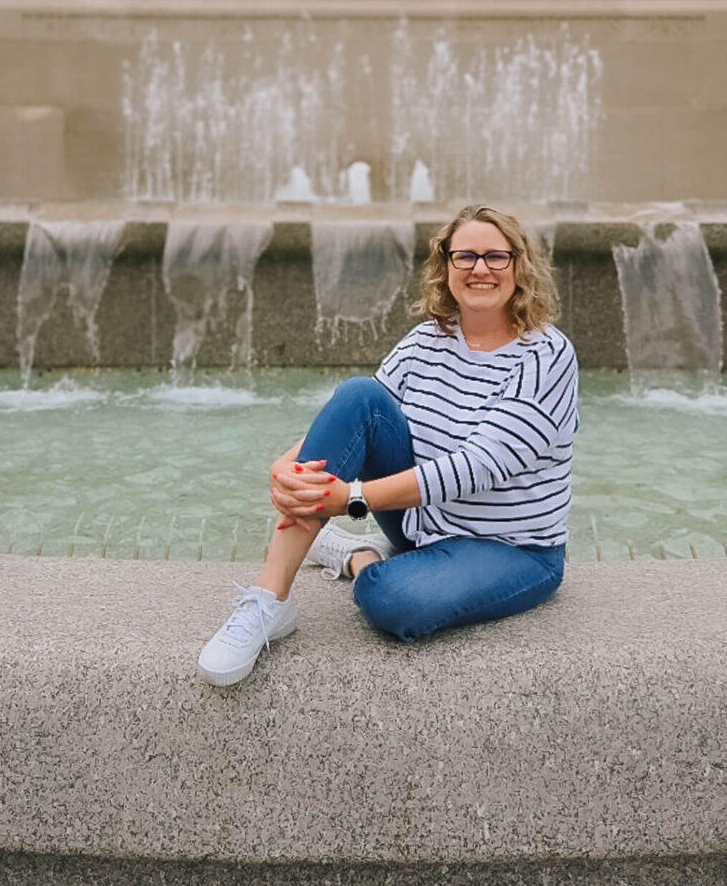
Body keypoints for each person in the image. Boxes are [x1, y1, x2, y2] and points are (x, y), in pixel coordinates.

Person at [197, 203, 579, 686]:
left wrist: (352, 500)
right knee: (360, 392)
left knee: (392, 601)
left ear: (518, 266)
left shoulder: (546, 355)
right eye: (465, 256)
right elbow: (361, 419)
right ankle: (269, 601)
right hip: (421, 524)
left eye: (495, 257)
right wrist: (287, 466)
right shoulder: (426, 341)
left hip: (512, 550)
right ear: (446, 266)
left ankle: (358, 556)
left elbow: (481, 466)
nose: (480, 268)